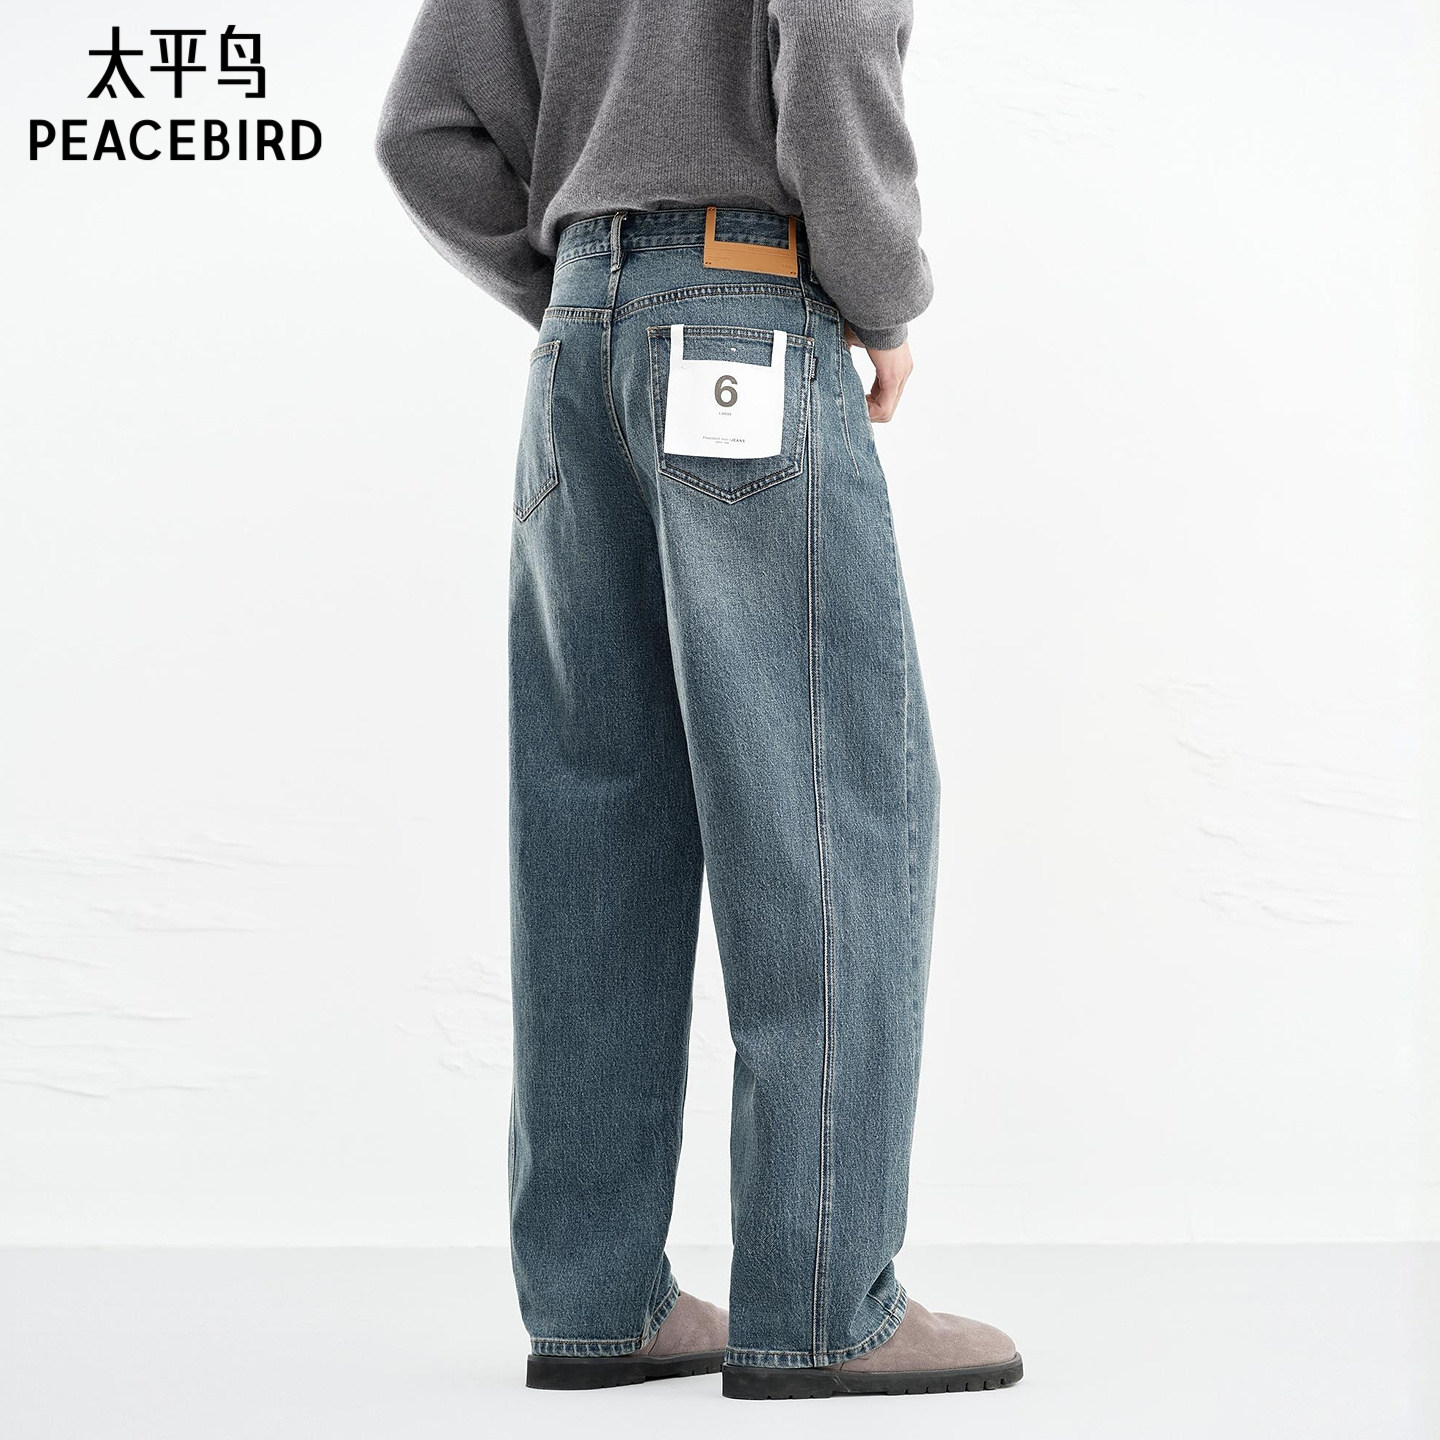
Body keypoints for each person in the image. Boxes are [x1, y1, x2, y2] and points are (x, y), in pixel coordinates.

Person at [376, 0, 1022, 1402]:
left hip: (577, 349)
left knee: (593, 823)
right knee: (827, 801)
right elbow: (833, 26)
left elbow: (425, 126)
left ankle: (595, 1303)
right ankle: (824, 1304)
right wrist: (880, 291)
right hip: (749, 316)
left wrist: (590, 291)